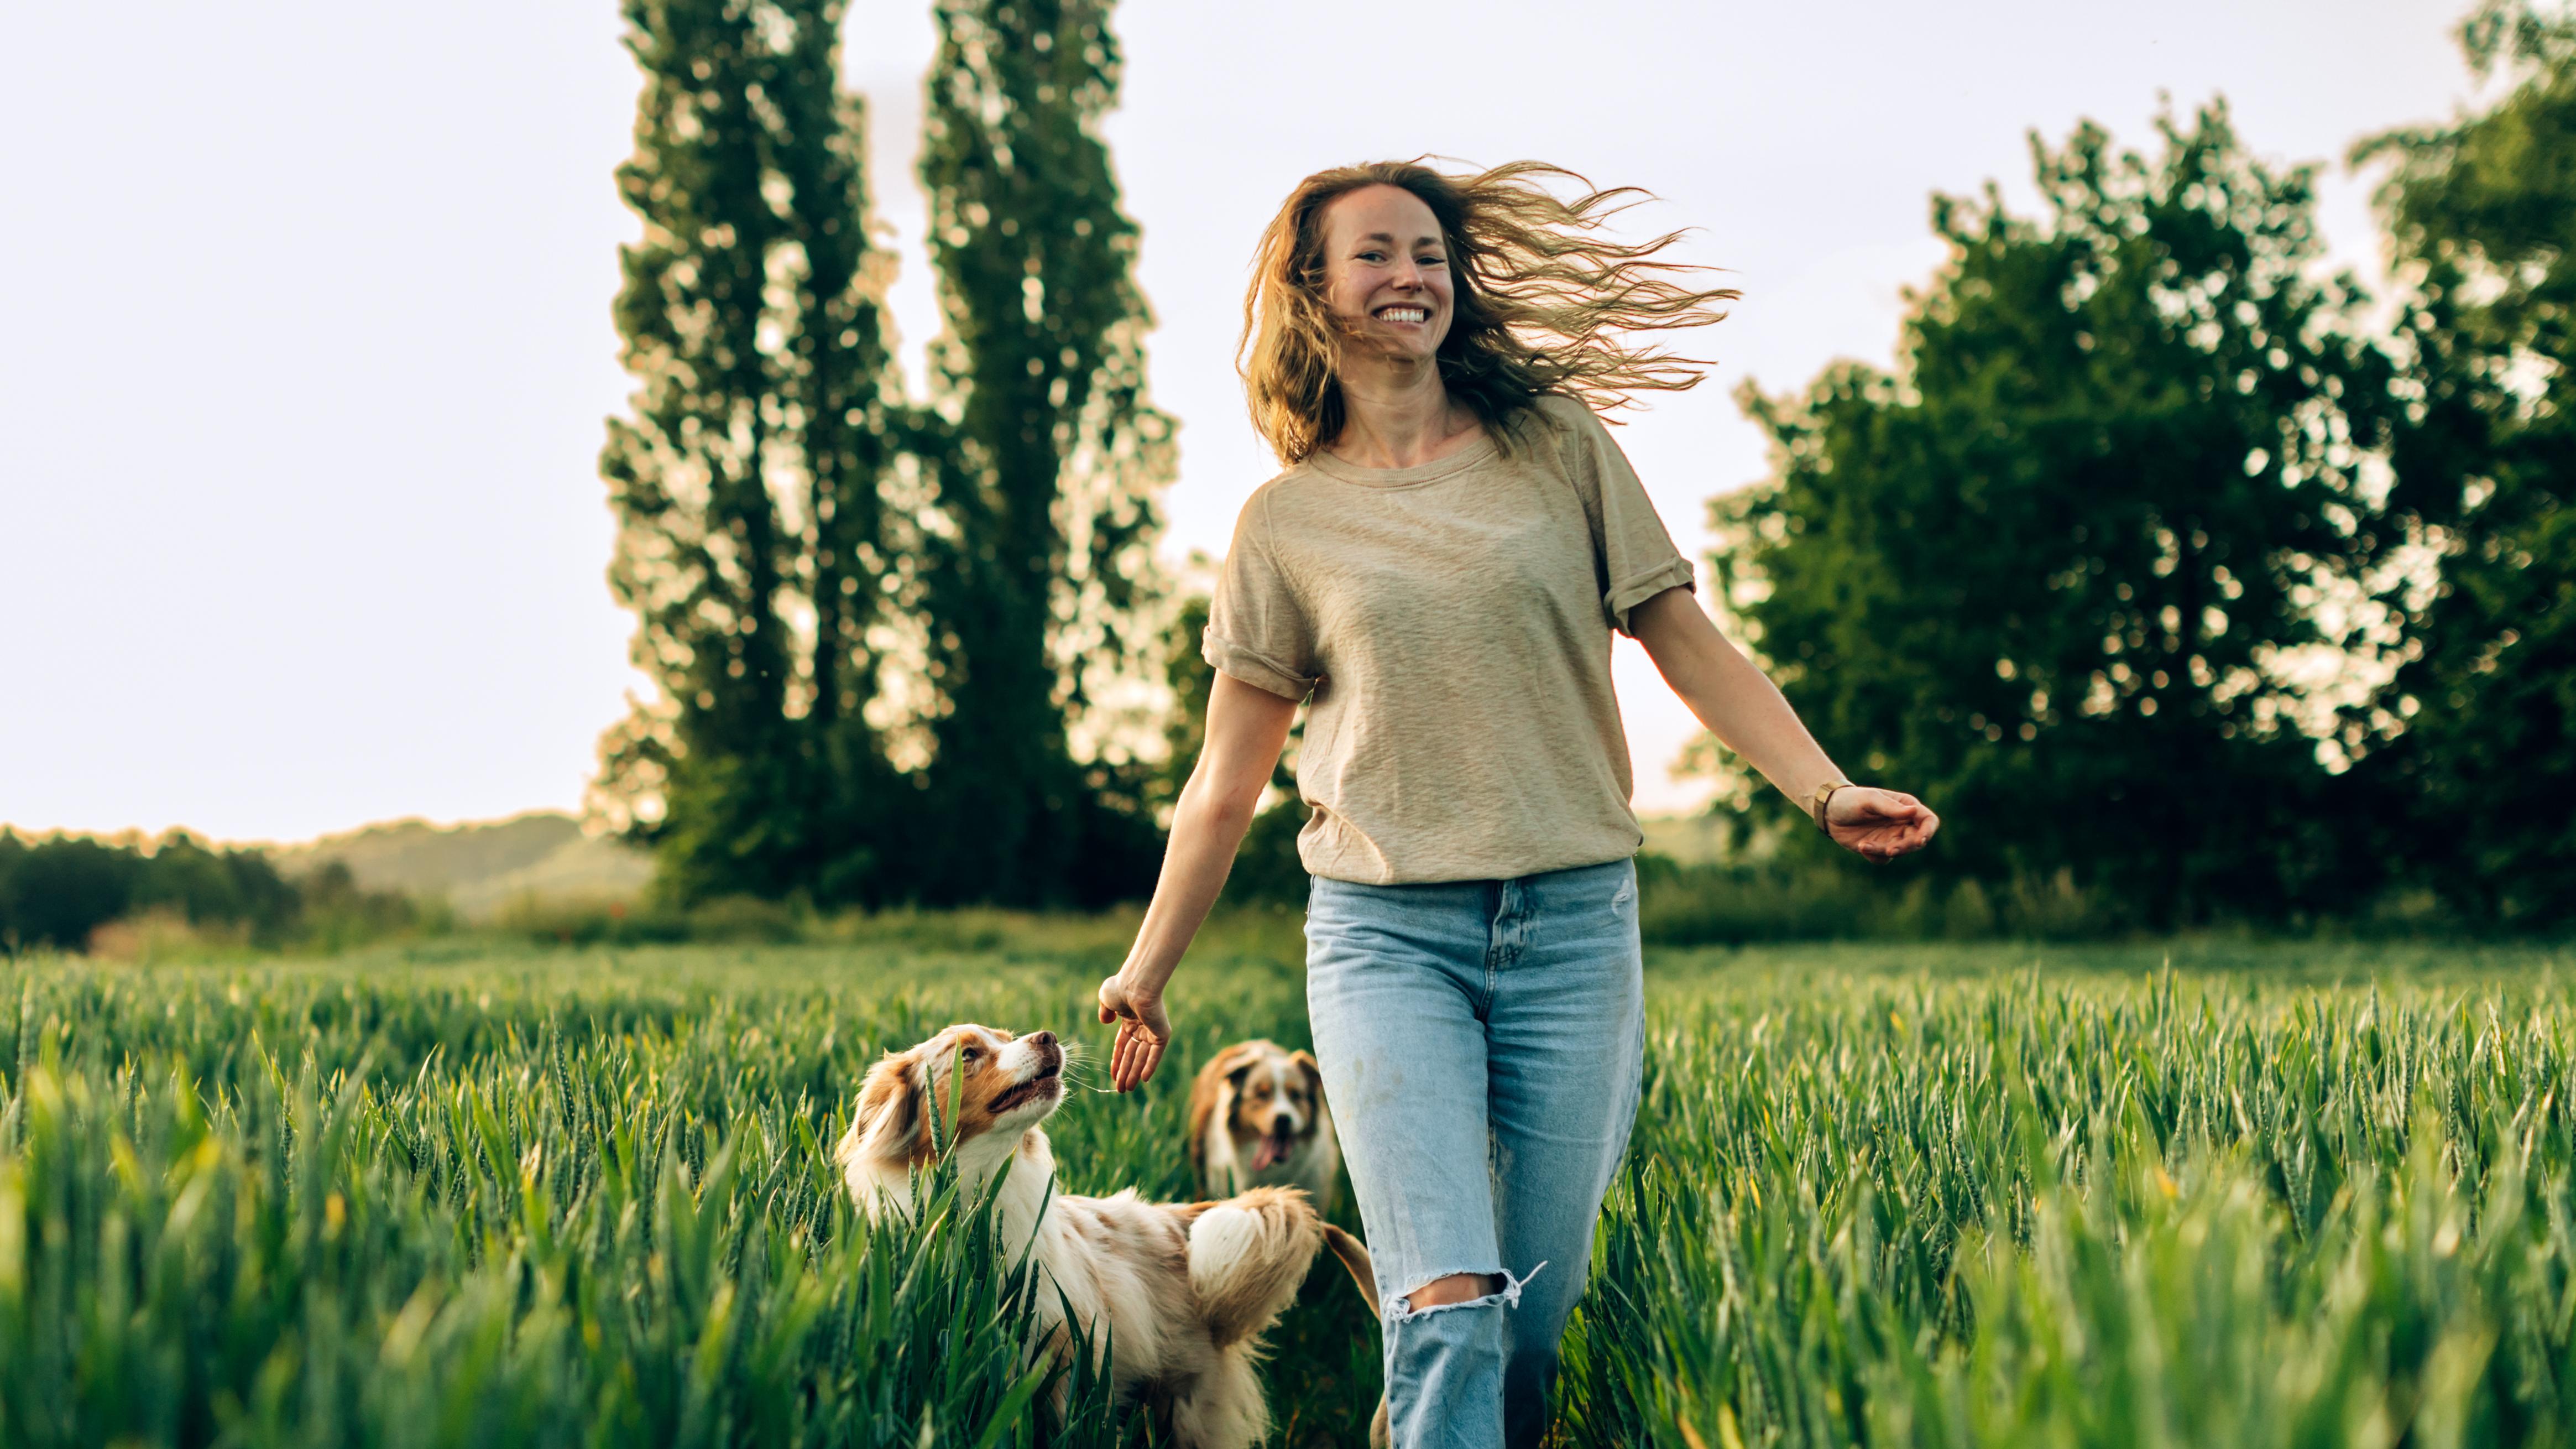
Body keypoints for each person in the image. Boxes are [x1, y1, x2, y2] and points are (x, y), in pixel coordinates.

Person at [1095, 159, 1939, 1448]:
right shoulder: (1286, 523)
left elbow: (1682, 637)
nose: (1408, 275)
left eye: (1427, 252)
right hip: (1385, 937)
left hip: (1571, 927)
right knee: (1447, 1305)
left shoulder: (1558, 446)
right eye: (1373, 253)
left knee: (1526, 1324)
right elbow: (1226, 778)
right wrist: (1147, 970)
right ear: (1311, 289)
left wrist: (1820, 789)